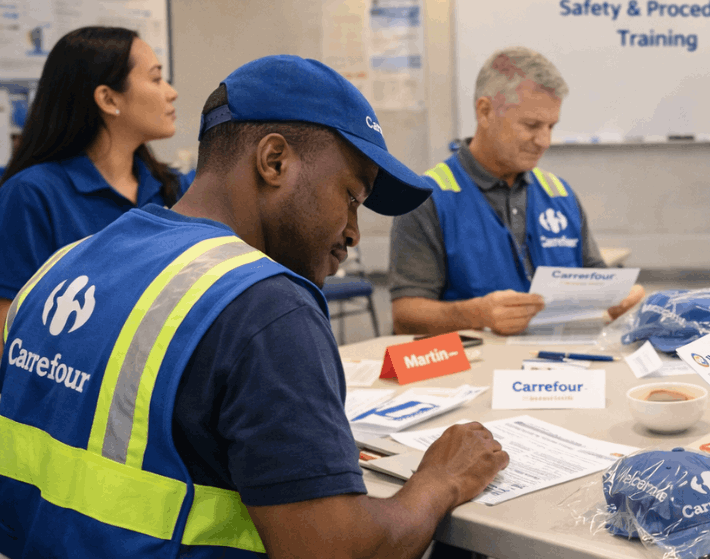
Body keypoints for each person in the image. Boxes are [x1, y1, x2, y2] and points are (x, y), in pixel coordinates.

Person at [0, 55, 508, 558]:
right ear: (274, 161)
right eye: (351, 198)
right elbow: (338, 552)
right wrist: (441, 479)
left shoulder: (64, 266)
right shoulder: (266, 308)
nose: (354, 232)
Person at [389, 46, 642, 336]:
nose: (544, 141)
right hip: (475, 362)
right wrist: (476, 314)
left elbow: (596, 278)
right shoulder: (427, 199)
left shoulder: (559, 194)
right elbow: (405, 316)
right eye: (532, 125)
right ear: (485, 111)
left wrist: (621, 298)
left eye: (551, 126)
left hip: (564, 358)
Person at [0, 26, 190, 325]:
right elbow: (8, 324)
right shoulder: (32, 194)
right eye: (156, 79)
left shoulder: (175, 187)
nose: (171, 92)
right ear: (108, 99)